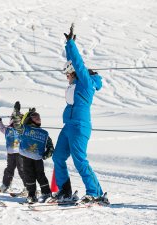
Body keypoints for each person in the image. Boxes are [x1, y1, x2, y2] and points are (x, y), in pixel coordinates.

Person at [52, 24, 109, 205]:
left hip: (79, 126)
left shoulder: (84, 83)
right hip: (68, 126)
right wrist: (68, 46)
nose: (66, 76)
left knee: (79, 160)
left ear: (75, 74)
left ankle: (95, 192)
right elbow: (72, 64)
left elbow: (78, 64)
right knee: (58, 157)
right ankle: (65, 191)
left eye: (68, 74)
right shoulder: (75, 82)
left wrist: (70, 44)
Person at [13, 107, 54, 203]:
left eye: (39, 117)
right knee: (29, 176)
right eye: (35, 117)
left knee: (41, 175)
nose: (38, 118)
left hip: (37, 158)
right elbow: (16, 125)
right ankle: (31, 195)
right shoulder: (24, 129)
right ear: (29, 119)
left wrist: (47, 153)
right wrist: (17, 113)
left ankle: (47, 193)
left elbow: (50, 146)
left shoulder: (44, 133)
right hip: (26, 157)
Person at [0, 101, 26, 194]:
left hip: (20, 153)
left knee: (22, 170)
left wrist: (18, 112)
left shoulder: (21, 129)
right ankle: (6, 185)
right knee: (9, 169)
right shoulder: (8, 129)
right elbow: (1, 128)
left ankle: (28, 186)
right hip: (10, 153)